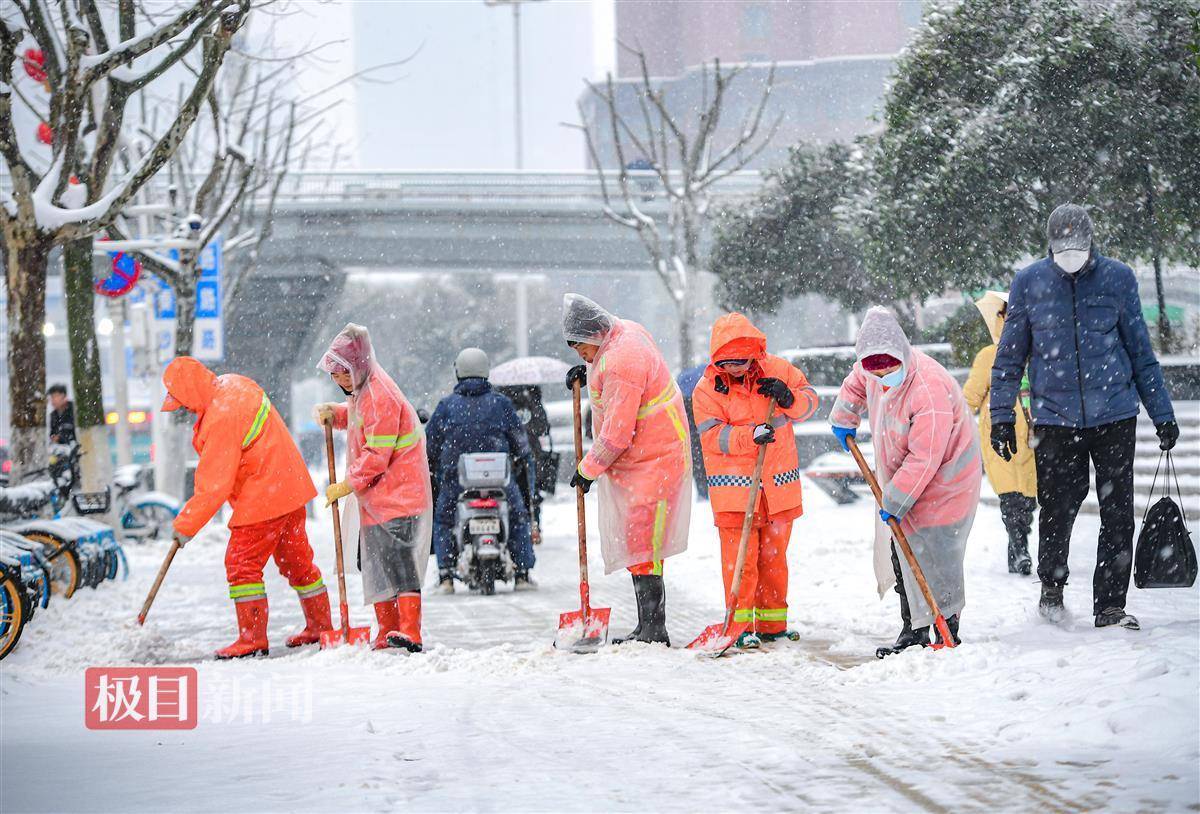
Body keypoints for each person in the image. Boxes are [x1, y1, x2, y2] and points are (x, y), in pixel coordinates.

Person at [990, 204, 1177, 630]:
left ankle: (1110, 606)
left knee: (1117, 511)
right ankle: (1052, 591)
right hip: (1056, 419)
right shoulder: (1029, 282)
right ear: (1050, 247)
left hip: (1114, 414)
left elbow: (1140, 353)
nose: (1070, 259)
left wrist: (1161, 413)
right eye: (1063, 250)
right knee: (1057, 509)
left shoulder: (1118, 278)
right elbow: (1009, 357)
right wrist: (1002, 416)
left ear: (1092, 244)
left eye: (1078, 249)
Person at [829, 307, 981, 658]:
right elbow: (856, 380)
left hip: (947, 479)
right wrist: (844, 414)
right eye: (875, 369)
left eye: (888, 368)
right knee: (902, 550)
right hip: (906, 478)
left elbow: (925, 457)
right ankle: (914, 629)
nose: (882, 375)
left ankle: (947, 625)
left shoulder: (928, 388)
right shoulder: (872, 369)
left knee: (937, 554)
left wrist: (893, 500)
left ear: (902, 355)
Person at [164, 356, 331, 659]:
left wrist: (185, 526)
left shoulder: (220, 418)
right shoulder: (234, 383)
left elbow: (214, 484)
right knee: (297, 560)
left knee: (241, 563)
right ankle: (321, 625)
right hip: (289, 486)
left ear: (190, 392)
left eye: (182, 402)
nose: (185, 410)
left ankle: (251, 638)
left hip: (264, 494)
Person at [562, 293, 691, 645]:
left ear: (595, 334)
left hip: (655, 458)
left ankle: (653, 629)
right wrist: (588, 372)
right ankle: (647, 626)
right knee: (641, 541)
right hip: (645, 459)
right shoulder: (620, 335)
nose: (582, 356)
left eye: (582, 350)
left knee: (644, 541)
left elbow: (617, 434)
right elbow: (609, 375)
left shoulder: (622, 360)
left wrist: (587, 470)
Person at [692, 313, 820, 648]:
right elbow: (712, 437)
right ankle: (739, 628)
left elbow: (810, 401)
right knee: (740, 564)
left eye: (741, 360)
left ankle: (772, 626)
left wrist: (789, 398)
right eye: (728, 362)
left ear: (754, 353)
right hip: (734, 493)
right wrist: (750, 436)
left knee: (774, 560)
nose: (735, 368)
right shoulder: (706, 391)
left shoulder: (779, 371)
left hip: (778, 489)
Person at [314, 324, 433, 652]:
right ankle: (388, 629)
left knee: (399, 562)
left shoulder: (378, 394)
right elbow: (358, 420)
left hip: (400, 495)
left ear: (359, 367)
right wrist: (335, 415)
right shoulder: (362, 391)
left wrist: (346, 484)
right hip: (379, 497)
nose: (339, 381)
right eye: (335, 376)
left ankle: (410, 630)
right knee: (376, 564)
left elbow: (376, 455)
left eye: (343, 374)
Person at [425, 348, 537, 593]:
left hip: (457, 479)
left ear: (458, 372)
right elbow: (520, 442)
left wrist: (435, 462)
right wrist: (521, 458)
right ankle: (522, 573)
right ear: (485, 371)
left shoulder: (446, 406)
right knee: (518, 517)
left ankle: (445, 576)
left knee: (443, 519)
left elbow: (430, 444)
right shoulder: (501, 404)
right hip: (499, 480)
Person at [962, 292, 1036, 575]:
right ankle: (1020, 550)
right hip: (999, 435)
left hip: (1032, 435)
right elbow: (970, 397)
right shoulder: (988, 356)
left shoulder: (1036, 352)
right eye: (1005, 316)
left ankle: (1018, 545)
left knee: (1029, 499)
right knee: (1010, 496)